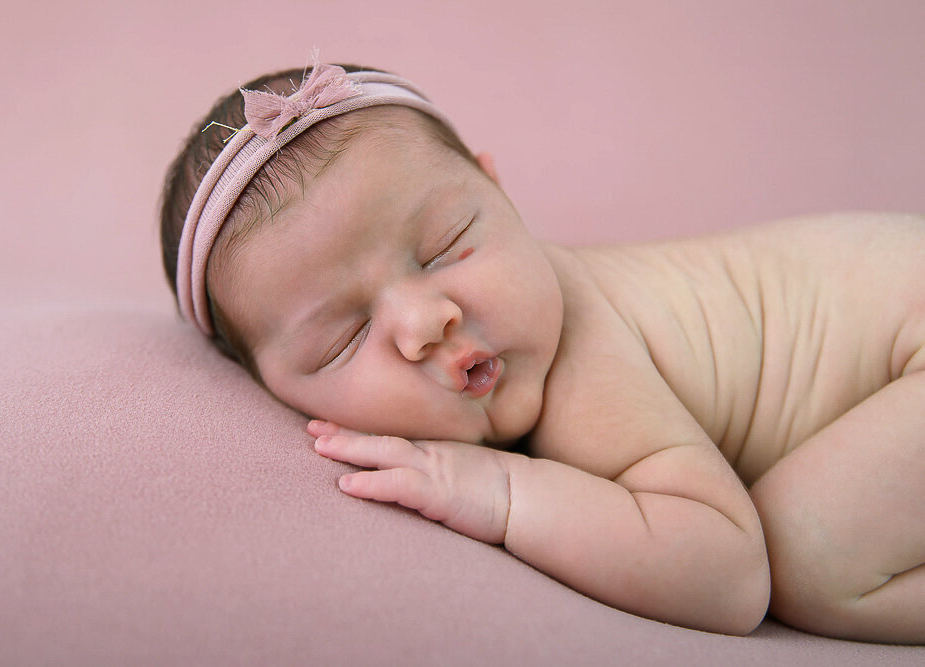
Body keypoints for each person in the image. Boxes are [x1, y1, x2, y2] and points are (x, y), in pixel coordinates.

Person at [159, 58, 925, 643]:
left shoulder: (583, 360)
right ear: (272, 389)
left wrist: (504, 493)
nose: (427, 321)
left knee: (807, 552)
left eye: (446, 246)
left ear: (503, 194)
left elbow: (730, 574)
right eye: (344, 336)